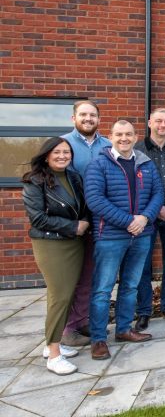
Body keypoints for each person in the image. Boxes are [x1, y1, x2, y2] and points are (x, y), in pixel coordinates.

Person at [85, 120, 164, 360]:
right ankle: (99, 339)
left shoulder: (146, 163)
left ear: (135, 136)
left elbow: (158, 193)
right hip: (110, 237)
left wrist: (144, 219)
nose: (124, 138)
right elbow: (95, 200)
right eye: (119, 134)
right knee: (102, 289)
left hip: (141, 235)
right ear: (111, 137)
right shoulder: (99, 164)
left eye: (128, 134)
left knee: (130, 286)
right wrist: (128, 220)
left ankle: (123, 329)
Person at [22, 138, 90, 374]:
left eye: (66, 152)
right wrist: (74, 226)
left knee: (62, 295)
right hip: (51, 244)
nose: (62, 156)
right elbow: (38, 218)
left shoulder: (73, 177)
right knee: (60, 296)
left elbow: (83, 207)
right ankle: (54, 356)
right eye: (57, 152)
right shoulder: (34, 180)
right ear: (46, 155)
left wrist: (84, 224)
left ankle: (53, 342)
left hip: (74, 243)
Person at [60, 100, 112, 347]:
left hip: (100, 220)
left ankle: (82, 321)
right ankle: (66, 329)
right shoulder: (64, 145)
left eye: (92, 115)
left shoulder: (108, 145)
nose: (88, 119)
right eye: (83, 115)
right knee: (70, 277)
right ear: (74, 118)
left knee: (90, 275)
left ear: (99, 119)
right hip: (73, 221)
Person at [134, 108, 165, 330]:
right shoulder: (137, 150)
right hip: (146, 218)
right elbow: (134, 187)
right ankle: (144, 310)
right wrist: (153, 210)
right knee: (143, 264)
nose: (162, 125)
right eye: (158, 121)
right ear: (149, 123)